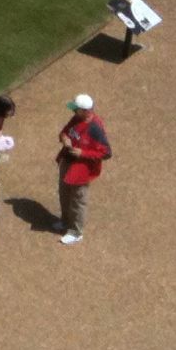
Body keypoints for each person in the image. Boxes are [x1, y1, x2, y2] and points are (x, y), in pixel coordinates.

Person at [56, 93, 112, 245]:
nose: (73, 112)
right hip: (68, 161)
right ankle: (65, 221)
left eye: (76, 109)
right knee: (64, 193)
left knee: (78, 200)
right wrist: (65, 138)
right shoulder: (77, 118)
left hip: (81, 169)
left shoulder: (95, 128)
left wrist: (83, 153)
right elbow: (64, 132)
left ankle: (76, 232)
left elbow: (106, 153)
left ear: (85, 111)